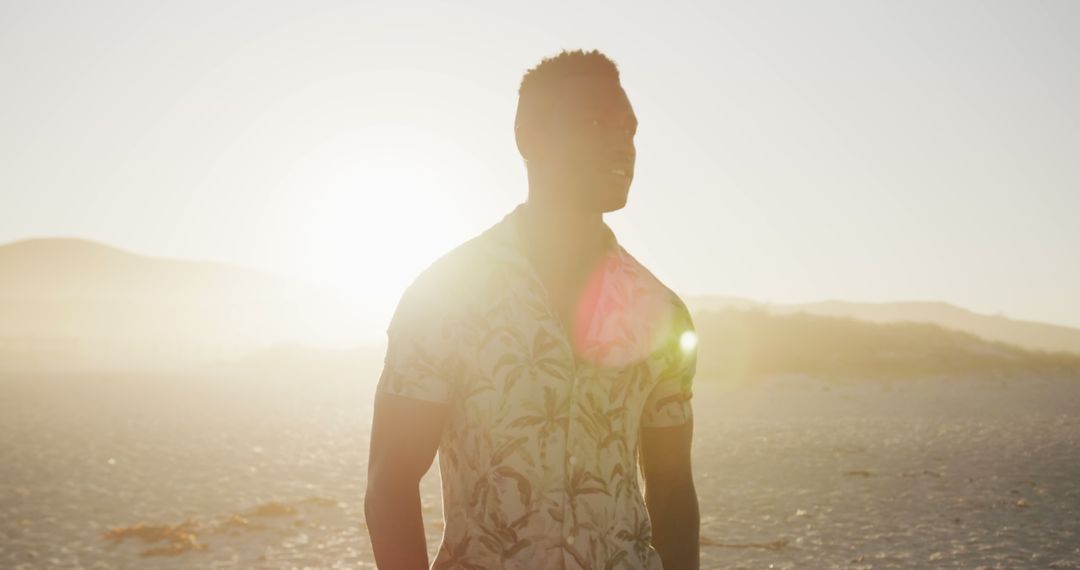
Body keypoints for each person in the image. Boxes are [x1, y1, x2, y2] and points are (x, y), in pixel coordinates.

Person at [365, 49, 699, 569]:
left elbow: (674, 490)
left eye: (629, 128)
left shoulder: (662, 313)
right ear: (529, 137)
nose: (621, 142)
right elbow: (390, 480)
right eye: (594, 122)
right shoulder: (448, 296)